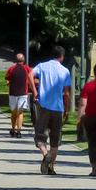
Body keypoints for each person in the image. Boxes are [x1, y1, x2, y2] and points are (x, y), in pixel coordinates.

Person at [32, 45, 73, 174]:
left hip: (43, 105)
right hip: (58, 108)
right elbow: (66, 93)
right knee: (55, 140)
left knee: (40, 136)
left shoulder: (42, 66)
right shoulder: (65, 71)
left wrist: (34, 91)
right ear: (62, 57)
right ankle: (51, 167)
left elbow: (30, 74)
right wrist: (66, 109)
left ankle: (45, 154)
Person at [5, 52, 33, 138]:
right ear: (23, 60)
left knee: (13, 112)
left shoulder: (11, 69)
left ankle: (12, 129)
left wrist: (11, 85)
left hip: (13, 93)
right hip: (23, 93)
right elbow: (31, 79)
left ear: (15, 61)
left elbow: (7, 81)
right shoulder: (27, 69)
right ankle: (19, 130)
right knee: (20, 112)